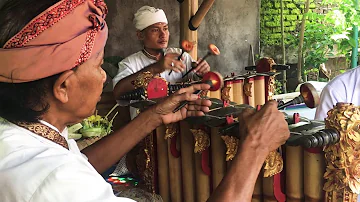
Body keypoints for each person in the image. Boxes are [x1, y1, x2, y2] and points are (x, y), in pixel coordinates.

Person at [0, 0, 289, 202]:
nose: (103, 76)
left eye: (165, 28)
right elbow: (120, 92)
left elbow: (81, 162)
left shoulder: (24, 137)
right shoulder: (54, 181)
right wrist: (256, 147)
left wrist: (152, 117)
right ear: (63, 86)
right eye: (99, 65)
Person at [113, 5, 211, 119]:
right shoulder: (130, 63)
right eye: (155, 30)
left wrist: (203, 73)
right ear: (140, 35)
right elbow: (118, 94)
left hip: (181, 125)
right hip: (146, 129)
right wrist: (156, 68)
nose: (163, 34)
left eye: (165, 28)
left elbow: (201, 85)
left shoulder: (180, 55)